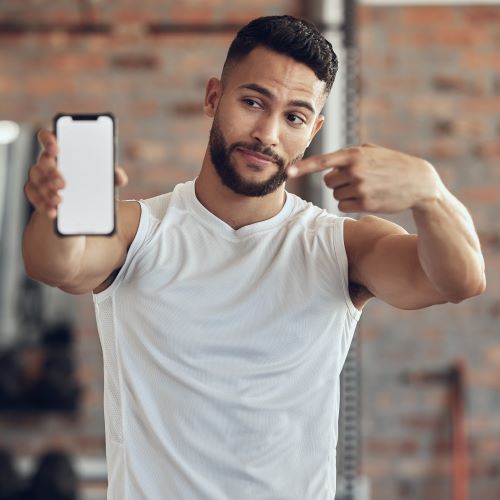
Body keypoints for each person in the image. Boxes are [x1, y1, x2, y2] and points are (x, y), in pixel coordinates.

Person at [23, 14, 485, 500]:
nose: (267, 132)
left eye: (294, 117)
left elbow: (459, 280)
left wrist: (430, 194)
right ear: (213, 97)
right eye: (252, 102)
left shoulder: (340, 247)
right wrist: (54, 211)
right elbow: (57, 264)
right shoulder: (139, 232)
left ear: (313, 130)